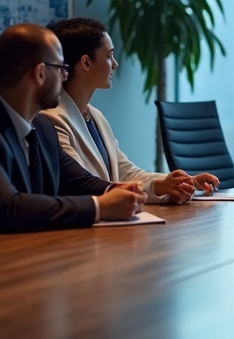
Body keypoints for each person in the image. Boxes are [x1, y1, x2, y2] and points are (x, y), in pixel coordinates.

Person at [0, 23, 145, 248]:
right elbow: (10, 208)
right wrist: (101, 207)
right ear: (40, 73)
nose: (66, 76)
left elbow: (79, 181)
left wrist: (115, 191)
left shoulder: (43, 128)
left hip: (16, 259)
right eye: (61, 68)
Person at [42, 16, 219, 201]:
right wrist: (161, 187)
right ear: (86, 63)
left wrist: (174, 184)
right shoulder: (53, 121)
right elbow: (82, 185)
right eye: (109, 56)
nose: (115, 64)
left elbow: (126, 173)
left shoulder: (95, 116)